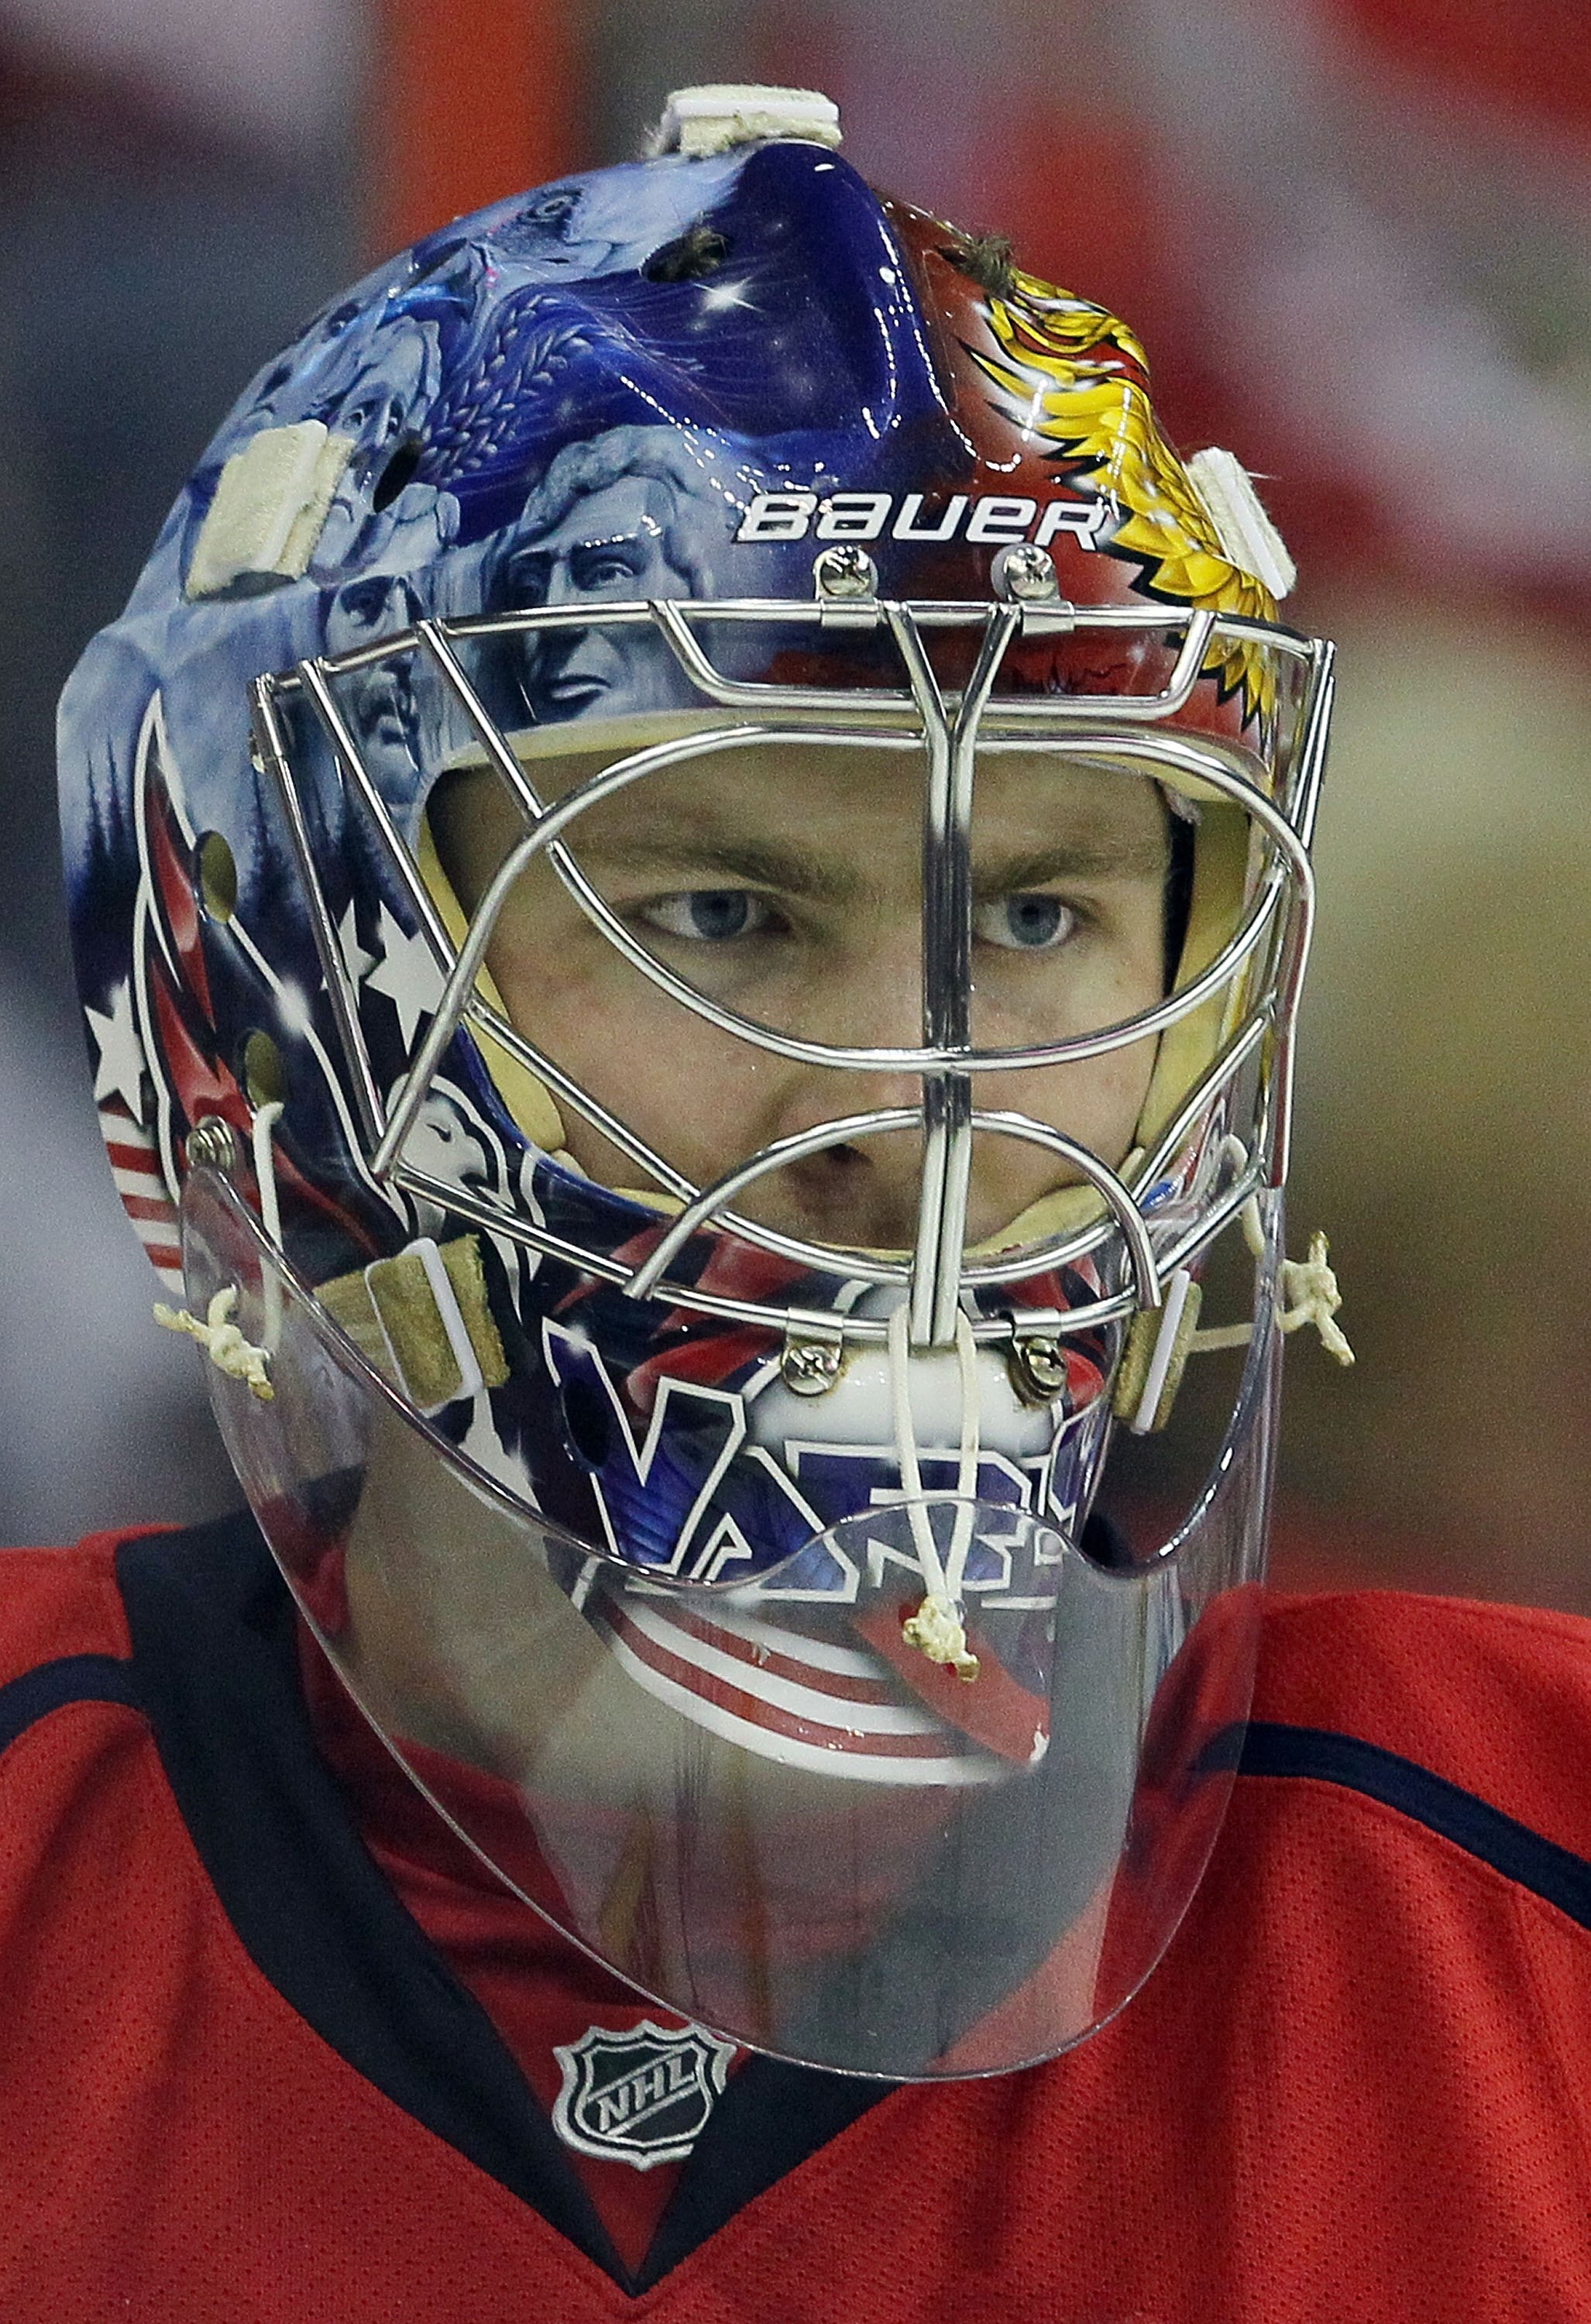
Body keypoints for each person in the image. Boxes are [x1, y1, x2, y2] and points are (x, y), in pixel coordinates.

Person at [12, 83, 1591, 2322]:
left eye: (1044, 914)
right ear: (268, 990)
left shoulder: (1525, 1913)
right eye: (726, 909)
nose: (917, 1103)